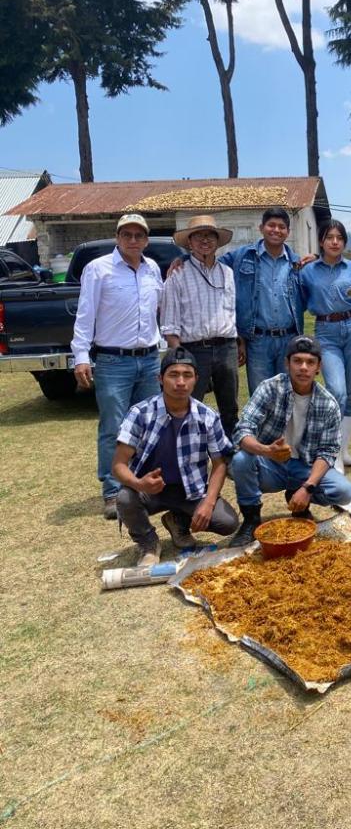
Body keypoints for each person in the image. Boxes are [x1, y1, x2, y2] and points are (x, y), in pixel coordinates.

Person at [72, 213, 162, 519]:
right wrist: (81, 355)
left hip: (149, 359)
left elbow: (158, 310)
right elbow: (85, 315)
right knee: (113, 427)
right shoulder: (99, 270)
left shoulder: (153, 269)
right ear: (118, 237)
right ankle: (112, 490)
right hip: (113, 360)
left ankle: (139, 484)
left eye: (139, 235)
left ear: (146, 239)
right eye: (128, 235)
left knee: (147, 425)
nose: (134, 240)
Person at [112, 347, 238, 567]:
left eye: (187, 375)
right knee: (124, 498)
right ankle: (149, 544)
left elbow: (219, 464)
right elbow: (118, 465)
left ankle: (177, 520)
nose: (180, 382)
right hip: (150, 490)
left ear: (196, 379)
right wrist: (138, 482)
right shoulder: (140, 413)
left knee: (227, 522)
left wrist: (208, 502)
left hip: (190, 491)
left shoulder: (207, 416)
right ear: (160, 379)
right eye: (173, 375)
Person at [230, 335, 351, 546]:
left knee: (344, 491)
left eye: (310, 362)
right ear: (287, 363)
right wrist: (265, 450)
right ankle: (251, 520)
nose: (303, 368)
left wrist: (308, 488)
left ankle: (298, 500)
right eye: (297, 361)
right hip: (270, 464)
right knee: (241, 461)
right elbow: (242, 430)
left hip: (303, 467)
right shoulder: (270, 388)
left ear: (318, 367)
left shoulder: (328, 403)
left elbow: (327, 452)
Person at [299, 220, 351, 472]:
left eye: (339, 237)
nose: (334, 242)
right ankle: (332, 452)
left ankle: (344, 450)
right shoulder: (308, 271)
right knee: (336, 390)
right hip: (326, 332)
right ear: (321, 241)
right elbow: (300, 300)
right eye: (329, 237)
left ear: (344, 242)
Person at [161, 214, 241, 438]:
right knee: (187, 405)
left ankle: (230, 455)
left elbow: (231, 312)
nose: (205, 241)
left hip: (226, 348)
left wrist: (237, 343)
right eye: (198, 236)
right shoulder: (177, 274)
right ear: (189, 242)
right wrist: (179, 355)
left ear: (217, 241)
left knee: (230, 407)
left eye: (210, 236)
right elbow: (170, 322)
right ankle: (187, 452)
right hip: (193, 349)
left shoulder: (227, 273)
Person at [218, 206, 305, 393]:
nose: (276, 230)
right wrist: (184, 259)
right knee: (260, 397)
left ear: (288, 232)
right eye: (271, 225)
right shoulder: (242, 256)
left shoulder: (296, 263)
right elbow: (211, 263)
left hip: (289, 339)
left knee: (288, 396)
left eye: (281, 227)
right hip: (257, 340)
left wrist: (318, 256)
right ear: (261, 228)